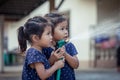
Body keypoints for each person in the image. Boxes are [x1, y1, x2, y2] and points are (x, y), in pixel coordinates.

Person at [44, 12, 79, 80]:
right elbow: (44, 68)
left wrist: (65, 54)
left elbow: (76, 65)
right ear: (50, 31)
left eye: (66, 28)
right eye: (62, 29)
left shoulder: (69, 46)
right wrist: (53, 59)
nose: (66, 32)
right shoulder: (45, 48)